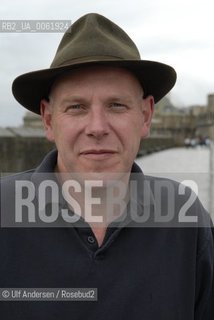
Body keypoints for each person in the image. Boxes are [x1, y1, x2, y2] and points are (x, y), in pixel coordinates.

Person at [0, 13, 213, 319]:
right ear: (48, 120)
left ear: (146, 116)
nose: (97, 127)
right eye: (77, 107)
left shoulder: (187, 218)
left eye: (116, 105)